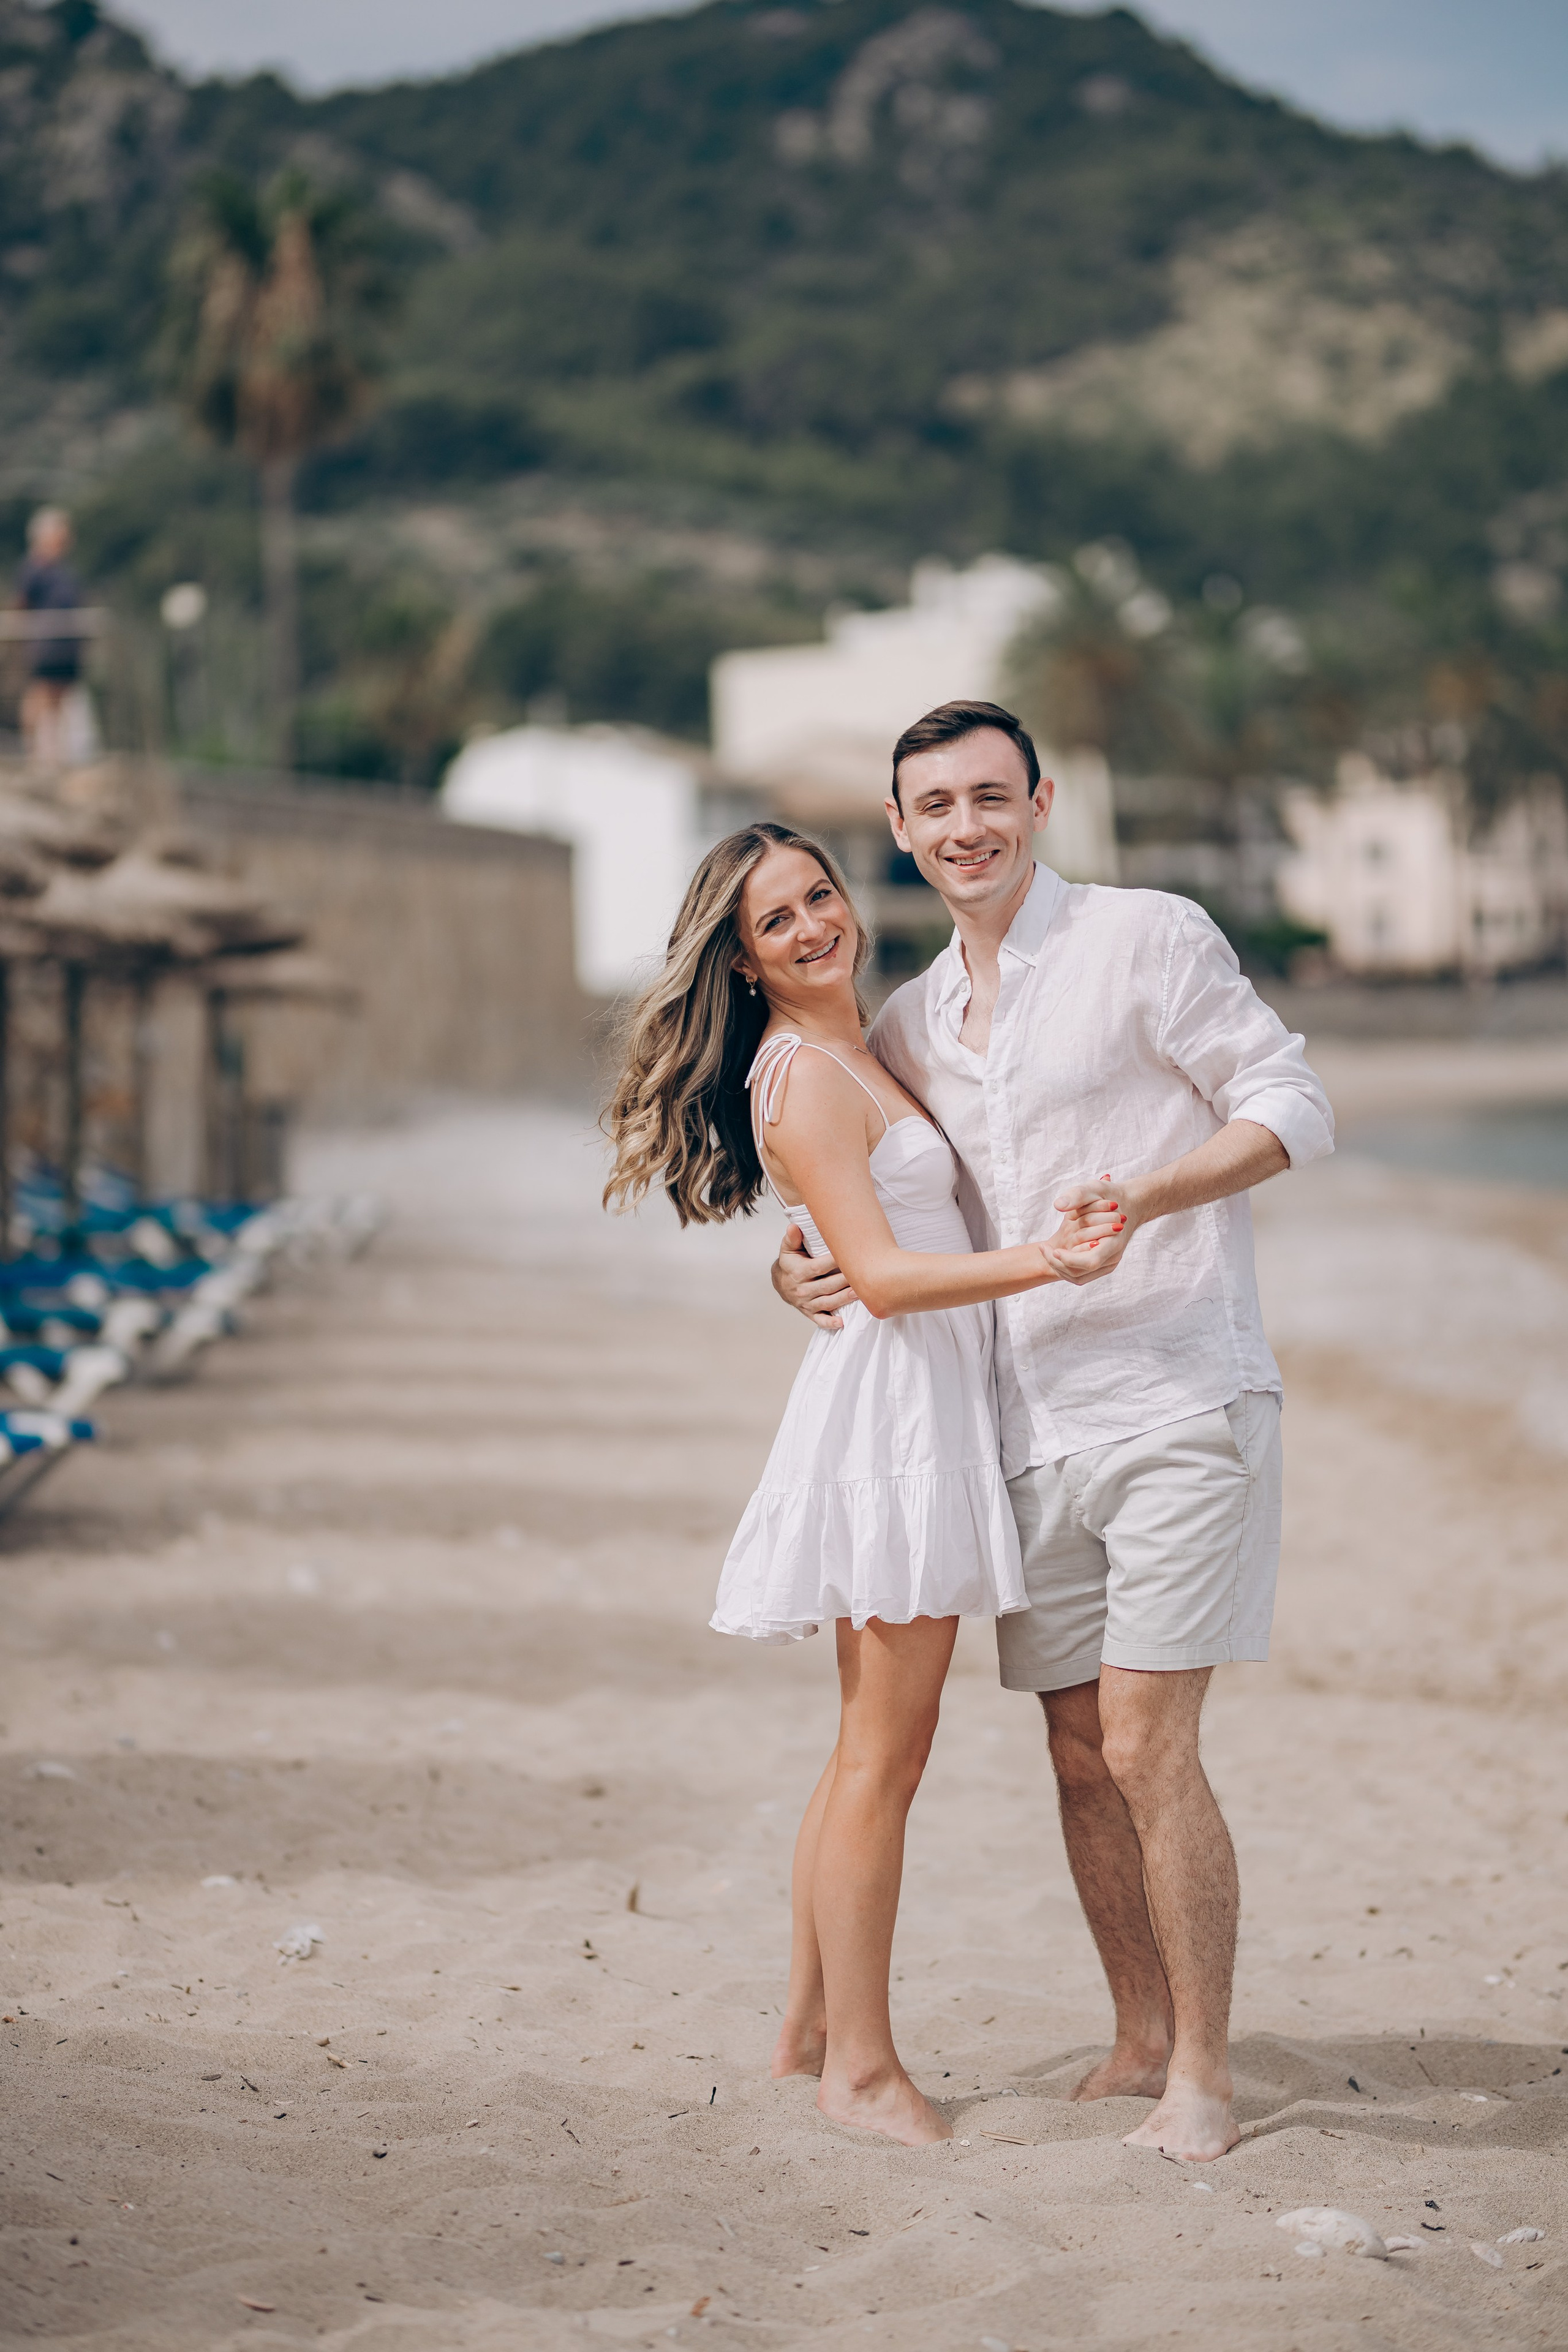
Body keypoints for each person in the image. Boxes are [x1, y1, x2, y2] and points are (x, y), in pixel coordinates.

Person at [771, 702, 1335, 2163]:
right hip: (1020, 1425)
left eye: (987, 795)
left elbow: (1289, 1098)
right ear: (898, 830)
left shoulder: (1147, 935)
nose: (963, 825)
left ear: (1037, 800)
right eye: (931, 805)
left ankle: (1199, 2074)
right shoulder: (905, 1026)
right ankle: (1136, 2033)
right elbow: (876, 1201)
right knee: (1078, 1752)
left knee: (1147, 1735)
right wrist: (793, 1263)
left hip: (1174, 1390)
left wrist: (1147, 1194)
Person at [602, 822, 1122, 2149]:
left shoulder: (859, 1045)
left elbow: (860, 1248)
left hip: (915, 1403)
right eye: (777, 919)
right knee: (880, 1762)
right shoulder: (803, 1077)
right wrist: (1048, 1265)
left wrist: (807, 1261)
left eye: (818, 895)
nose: (812, 925)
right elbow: (883, 1279)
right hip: (895, 1418)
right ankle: (864, 2076)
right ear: (744, 955)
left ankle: (806, 2035)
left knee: (863, 1757)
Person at [15, 507, 86, 770]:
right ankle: (34, 751)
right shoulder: (34, 568)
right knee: (40, 694)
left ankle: (55, 753)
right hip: (45, 643)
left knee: (60, 697)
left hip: (66, 644)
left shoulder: (63, 570)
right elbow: (22, 603)